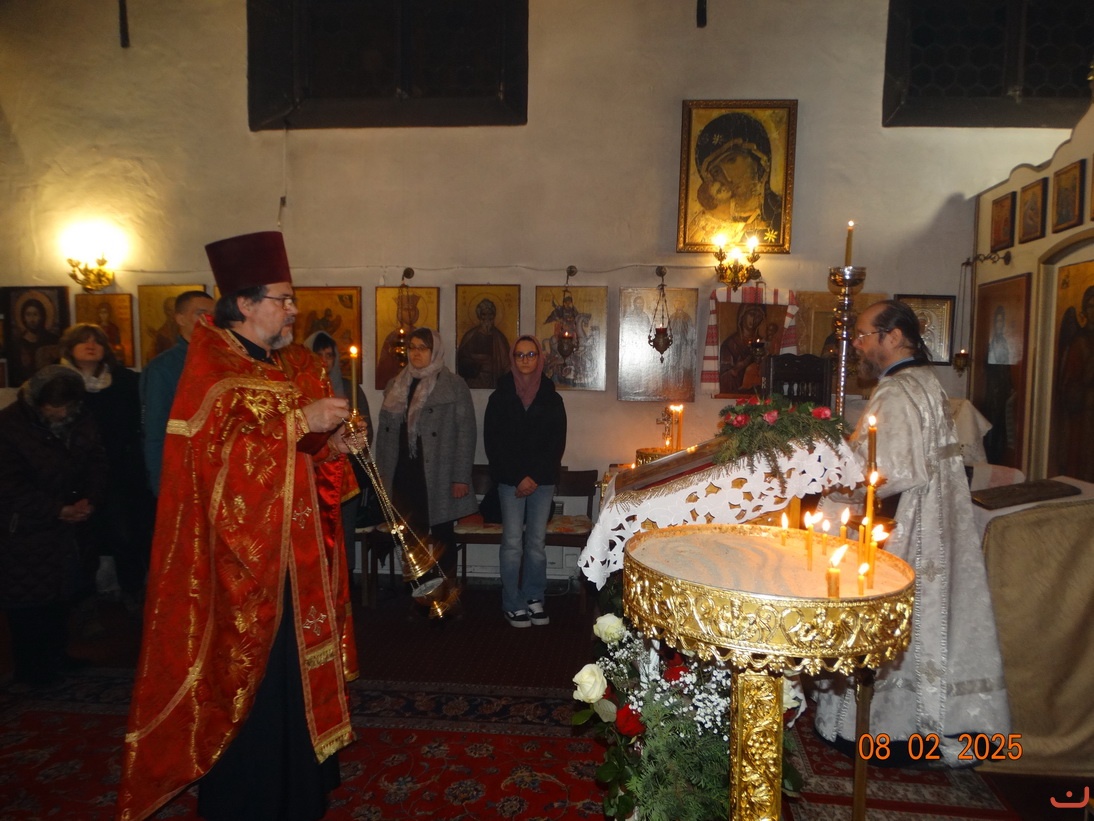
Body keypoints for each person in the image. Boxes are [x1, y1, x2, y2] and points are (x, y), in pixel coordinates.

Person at [118, 231, 358, 821]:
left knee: (292, 676)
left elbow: (299, 463)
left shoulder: (282, 365)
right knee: (252, 683)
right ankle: (251, 799)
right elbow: (215, 468)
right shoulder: (213, 371)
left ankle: (299, 789)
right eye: (283, 298)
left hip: (295, 561)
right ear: (245, 304)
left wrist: (331, 447)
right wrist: (299, 422)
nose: (293, 310)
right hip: (240, 571)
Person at [812, 299, 1010, 767]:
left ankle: (882, 730)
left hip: (905, 527)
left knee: (889, 619)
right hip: (933, 521)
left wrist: (831, 476)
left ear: (895, 337)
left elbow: (891, 471)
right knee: (930, 620)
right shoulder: (924, 381)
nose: (858, 346)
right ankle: (926, 722)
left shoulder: (897, 391)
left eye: (865, 335)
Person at [0, 366, 107, 686]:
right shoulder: (9, 425)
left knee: (63, 594)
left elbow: (97, 460)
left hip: (70, 525)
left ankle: (57, 655)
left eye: (66, 407)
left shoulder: (82, 418)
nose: (60, 414)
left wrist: (90, 500)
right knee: (29, 602)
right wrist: (55, 509)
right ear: (37, 401)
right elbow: (9, 485)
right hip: (25, 529)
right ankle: (32, 668)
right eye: (53, 407)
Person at [60, 323, 154, 608]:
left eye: (97, 341)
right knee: (83, 537)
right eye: (83, 341)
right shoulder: (58, 382)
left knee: (125, 533)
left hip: (119, 470)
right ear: (70, 348)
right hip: (73, 471)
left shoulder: (123, 381)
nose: (91, 346)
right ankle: (87, 598)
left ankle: (130, 590)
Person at [374, 328, 477, 583]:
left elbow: (466, 432)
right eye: (412, 347)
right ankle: (419, 593)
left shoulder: (453, 385)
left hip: (439, 473)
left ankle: (447, 594)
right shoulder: (396, 384)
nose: (416, 353)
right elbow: (385, 435)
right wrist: (382, 473)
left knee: (443, 537)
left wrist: (461, 477)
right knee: (411, 538)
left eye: (423, 348)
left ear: (435, 351)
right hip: (404, 474)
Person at [484, 336, 566, 628]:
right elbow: (494, 444)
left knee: (536, 544)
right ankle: (512, 602)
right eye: (520, 355)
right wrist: (519, 478)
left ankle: (533, 597)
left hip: (542, 483)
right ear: (512, 359)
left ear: (539, 358)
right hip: (511, 483)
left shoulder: (552, 398)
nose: (525, 360)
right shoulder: (499, 397)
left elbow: (556, 444)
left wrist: (534, 478)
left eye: (531, 354)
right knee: (512, 544)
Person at [139, 290, 215, 496]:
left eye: (213, 314)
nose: (209, 319)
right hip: (183, 471)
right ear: (180, 319)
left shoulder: (225, 361)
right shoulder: (163, 367)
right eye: (201, 313)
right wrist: (161, 484)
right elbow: (156, 429)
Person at [686, 111, 783, 247]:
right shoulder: (707, 224)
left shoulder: (777, 211)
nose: (728, 178)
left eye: (731, 160)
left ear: (756, 158)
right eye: (717, 172)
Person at [456, 298, 511, 389]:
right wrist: (476, 365)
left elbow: (507, 364)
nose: (487, 318)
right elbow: (462, 360)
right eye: (484, 314)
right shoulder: (470, 336)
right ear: (479, 316)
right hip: (474, 382)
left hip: (494, 381)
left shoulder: (499, 338)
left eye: (490, 315)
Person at [11, 296, 61, 386]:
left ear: (42, 316)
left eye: (35, 314)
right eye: (28, 315)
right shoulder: (18, 343)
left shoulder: (52, 339)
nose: (32, 319)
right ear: (23, 317)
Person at [718, 304, 766, 394]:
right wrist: (737, 368)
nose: (754, 319)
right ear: (742, 315)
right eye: (751, 314)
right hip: (735, 394)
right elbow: (724, 378)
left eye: (758, 316)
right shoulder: (730, 344)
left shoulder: (762, 344)